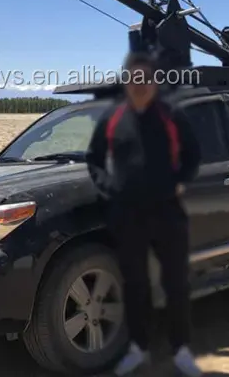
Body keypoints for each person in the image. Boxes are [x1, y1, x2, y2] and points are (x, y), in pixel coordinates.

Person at [86, 50, 202, 377]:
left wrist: (179, 181)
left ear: (154, 82)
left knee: (176, 283)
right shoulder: (112, 120)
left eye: (146, 78)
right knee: (135, 285)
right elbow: (94, 159)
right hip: (128, 216)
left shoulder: (171, 116)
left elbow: (193, 155)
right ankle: (138, 348)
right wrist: (109, 188)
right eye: (134, 78)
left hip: (168, 213)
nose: (140, 84)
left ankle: (180, 350)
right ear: (127, 82)